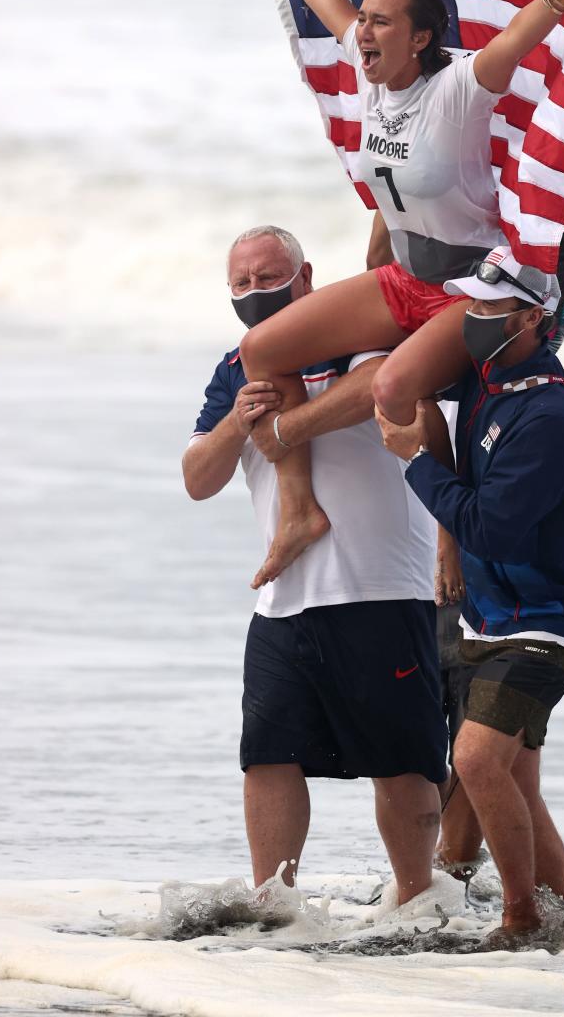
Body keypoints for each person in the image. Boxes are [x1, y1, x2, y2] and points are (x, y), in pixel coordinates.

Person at [238, 0, 564, 587]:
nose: (362, 30)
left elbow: (518, 39)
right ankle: (298, 509)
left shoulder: (459, 88)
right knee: (261, 347)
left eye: (380, 22)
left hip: (473, 289)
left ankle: (447, 542)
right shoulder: (371, 78)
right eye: (364, 20)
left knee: (395, 387)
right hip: (405, 280)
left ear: (421, 36)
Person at [181, 225, 450, 904]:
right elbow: (196, 478)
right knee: (267, 755)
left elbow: (379, 385)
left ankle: (417, 905)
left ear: (305, 279)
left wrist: (290, 426)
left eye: (269, 277)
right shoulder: (237, 368)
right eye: (241, 283)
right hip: (282, 600)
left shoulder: (353, 334)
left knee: (403, 761)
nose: (255, 292)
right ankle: (273, 905)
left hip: (382, 587)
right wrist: (239, 423)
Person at [376, 245, 564, 948]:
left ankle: (519, 919)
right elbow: (404, 364)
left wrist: (415, 463)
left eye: (491, 308)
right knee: (518, 780)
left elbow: (492, 528)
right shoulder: (488, 375)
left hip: (553, 619)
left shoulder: (548, 415)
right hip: (489, 613)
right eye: (470, 305)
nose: (474, 318)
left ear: (534, 319)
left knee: (476, 761)